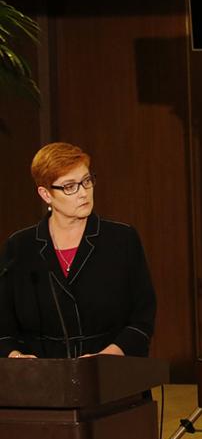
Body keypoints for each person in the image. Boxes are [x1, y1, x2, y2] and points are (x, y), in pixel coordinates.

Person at [0, 142, 156, 358]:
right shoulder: (20, 247)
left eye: (86, 181)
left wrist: (106, 359)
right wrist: (16, 358)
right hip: (42, 381)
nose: (83, 193)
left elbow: (142, 320)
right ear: (46, 194)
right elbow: (3, 329)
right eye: (70, 186)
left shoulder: (122, 239)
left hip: (114, 378)